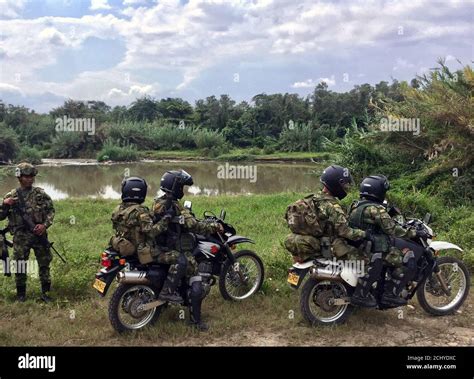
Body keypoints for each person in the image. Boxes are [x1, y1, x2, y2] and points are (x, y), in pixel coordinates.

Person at [153, 170, 223, 331]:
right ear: (175, 187)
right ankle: (195, 322)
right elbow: (194, 225)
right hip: (175, 249)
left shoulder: (157, 202)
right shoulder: (175, 206)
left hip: (161, 247)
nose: (182, 191)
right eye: (181, 187)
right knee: (196, 279)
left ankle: (168, 298)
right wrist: (213, 226)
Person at [349, 175, 422, 307]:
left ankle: (377, 289)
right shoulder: (376, 209)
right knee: (408, 260)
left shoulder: (355, 205)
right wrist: (414, 232)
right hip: (372, 250)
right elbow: (392, 229)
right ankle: (389, 295)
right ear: (378, 192)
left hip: (358, 246)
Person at [284, 165, 369, 263]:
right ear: (336, 184)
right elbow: (345, 231)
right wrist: (365, 234)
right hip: (326, 247)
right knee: (365, 259)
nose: (346, 188)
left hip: (303, 243)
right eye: (344, 185)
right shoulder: (332, 206)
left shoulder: (311, 199)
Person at [0, 163, 55, 302]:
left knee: (44, 263)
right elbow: (1, 216)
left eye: (32, 176)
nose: (30, 179)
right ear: (19, 177)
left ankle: (45, 294)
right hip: (20, 236)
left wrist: (44, 225)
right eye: (26, 176)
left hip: (39, 235)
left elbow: (51, 211)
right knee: (20, 264)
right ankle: (21, 295)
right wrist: (5, 204)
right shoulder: (11, 195)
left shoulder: (40, 194)